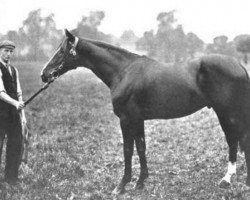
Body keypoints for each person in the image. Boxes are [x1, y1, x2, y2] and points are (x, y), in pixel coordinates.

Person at [0, 40, 26, 184]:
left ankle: (11, 178)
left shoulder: (14, 70)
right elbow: (0, 92)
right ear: (0, 51)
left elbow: (19, 92)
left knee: (16, 144)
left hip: (14, 114)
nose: (8, 54)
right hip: (0, 113)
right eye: (6, 51)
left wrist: (23, 116)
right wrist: (15, 103)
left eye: (11, 51)